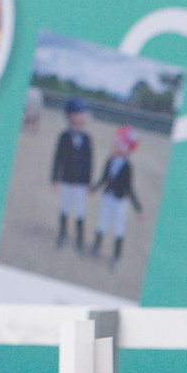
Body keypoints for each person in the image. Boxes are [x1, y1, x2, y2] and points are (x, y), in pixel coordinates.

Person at [90, 126, 143, 264]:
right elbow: (104, 178)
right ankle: (96, 247)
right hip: (107, 197)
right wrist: (93, 189)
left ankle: (116, 255)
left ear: (126, 148)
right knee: (102, 222)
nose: (115, 144)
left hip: (119, 201)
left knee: (118, 228)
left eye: (120, 143)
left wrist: (138, 208)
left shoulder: (128, 167)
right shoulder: (110, 160)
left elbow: (129, 188)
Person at [51, 99, 94, 254]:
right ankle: (62, 234)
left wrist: (89, 182)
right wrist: (54, 178)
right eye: (78, 114)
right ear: (71, 116)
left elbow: (90, 161)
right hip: (67, 180)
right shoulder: (64, 136)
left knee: (80, 211)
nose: (81, 118)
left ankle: (80, 239)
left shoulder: (87, 138)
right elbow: (58, 158)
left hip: (81, 182)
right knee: (64, 208)